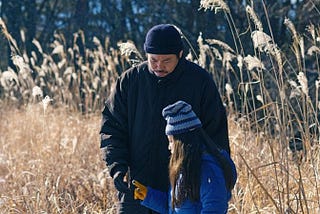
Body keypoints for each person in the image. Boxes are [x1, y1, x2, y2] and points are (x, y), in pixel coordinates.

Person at [100, 24, 230, 213]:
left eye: (167, 60)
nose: (159, 66)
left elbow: (215, 138)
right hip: (136, 189)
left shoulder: (200, 82)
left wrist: (208, 178)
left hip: (184, 189)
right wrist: (119, 169)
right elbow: (111, 130)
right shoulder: (129, 81)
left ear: (180, 54)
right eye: (153, 60)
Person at [132, 100, 237, 213]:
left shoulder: (209, 171)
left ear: (181, 142)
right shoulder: (186, 169)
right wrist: (148, 196)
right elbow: (174, 209)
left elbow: (215, 209)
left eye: (171, 141)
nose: (169, 147)